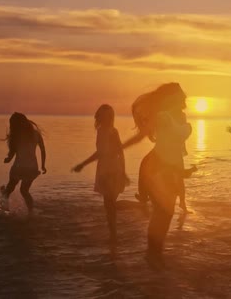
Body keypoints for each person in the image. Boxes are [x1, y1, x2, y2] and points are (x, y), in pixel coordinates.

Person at [122, 83, 192, 268]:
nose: (185, 98)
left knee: (166, 213)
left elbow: (177, 146)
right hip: (158, 166)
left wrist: (181, 172)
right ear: (172, 97)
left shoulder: (181, 117)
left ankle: (155, 253)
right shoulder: (162, 116)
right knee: (162, 212)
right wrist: (119, 148)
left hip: (174, 166)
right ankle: (153, 254)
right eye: (182, 95)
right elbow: (141, 136)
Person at [72, 104, 128, 245]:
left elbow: (118, 152)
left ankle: (138, 208)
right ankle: (113, 235)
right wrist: (83, 164)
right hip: (106, 169)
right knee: (109, 205)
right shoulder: (104, 131)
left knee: (110, 205)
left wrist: (123, 172)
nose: (107, 118)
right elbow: (106, 153)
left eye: (109, 116)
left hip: (111, 170)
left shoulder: (111, 132)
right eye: (104, 115)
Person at [0, 112, 47, 216]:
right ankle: (31, 213)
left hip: (19, 167)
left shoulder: (16, 135)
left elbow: (13, 152)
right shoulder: (35, 133)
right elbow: (43, 150)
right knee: (24, 191)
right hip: (31, 168)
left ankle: (5, 211)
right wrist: (43, 165)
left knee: (9, 190)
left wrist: (8, 159)